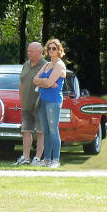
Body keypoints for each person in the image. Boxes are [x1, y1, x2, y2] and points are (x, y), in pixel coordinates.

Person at [33, 38, 67, 168]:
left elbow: (46, 83)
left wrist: (44, 82)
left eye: (54, 48)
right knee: (45, 131)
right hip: (43, 100)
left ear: (59, 50)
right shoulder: (46, 64)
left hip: (53, 101)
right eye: (49, 48)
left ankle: (55, 160)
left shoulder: (59, 65)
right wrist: (46, 82)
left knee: (53, 130)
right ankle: (46, 159)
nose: (51, 50)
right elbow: (35, 80)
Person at [14, 41, 46, 166]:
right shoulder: (26, 65)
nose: (29, 53)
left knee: (41, 132)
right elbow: (21, 83)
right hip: (26, 104)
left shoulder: (46, 66)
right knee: (26, 131)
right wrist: (21, 100)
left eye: (31, 51)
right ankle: (26, 157)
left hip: (40, 104)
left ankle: (37, 158)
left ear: (40, 52)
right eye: (28, 51)